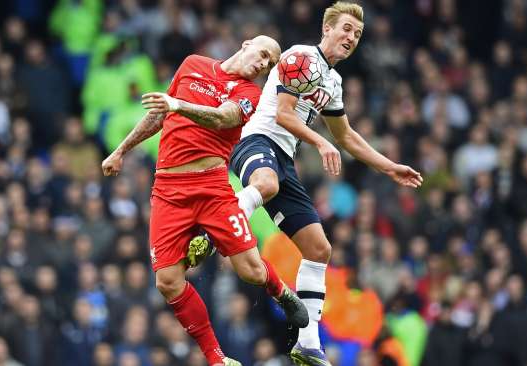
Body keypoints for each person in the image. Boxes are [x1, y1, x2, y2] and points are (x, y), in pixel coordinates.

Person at [173, 2, 423, 365]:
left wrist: (389, 167)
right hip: (255, 140)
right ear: (327, 29)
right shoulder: (300, 58)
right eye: (346, 29)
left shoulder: (333, 82)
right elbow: (284, 114)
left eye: (357, 33)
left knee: (319, 249)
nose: (351, 37)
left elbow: (347, 136)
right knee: (266, 182)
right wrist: (320, 141)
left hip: (284, 158)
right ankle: (212, 234)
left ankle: (307, 343)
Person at [102, 35, 307, 366]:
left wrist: (179, 105)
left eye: (269, 66)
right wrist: (121, 150)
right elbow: (158, 114)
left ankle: (280, 290)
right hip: (168, 189)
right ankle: (217, 358)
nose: (262, 64)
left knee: (251, 271)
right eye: (263, 55)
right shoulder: (193, 64)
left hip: (212, 188)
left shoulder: (248, 94)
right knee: (167, 282)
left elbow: (222, 118)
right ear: (246, 43)